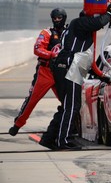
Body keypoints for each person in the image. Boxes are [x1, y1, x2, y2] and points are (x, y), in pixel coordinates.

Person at [39, 2, 111, 150]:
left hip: (66, 67)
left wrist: (105, 78)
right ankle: (64, 141)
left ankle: (49, 138)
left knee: (67, 106)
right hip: (69, 68)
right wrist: (109, 13)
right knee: (72, 105)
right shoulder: (80, 23)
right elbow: (98, 22)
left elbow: (89, 65)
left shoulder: (80, 36)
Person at [8, 8, 67, 136]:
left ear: (64, 18)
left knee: (69, 101)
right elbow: (37, 49)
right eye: (54, 18)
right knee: (32, 99)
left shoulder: (68, 33)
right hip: (45, 71)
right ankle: (17, 125)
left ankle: (71, 127)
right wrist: (51, 54)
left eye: (59, 18)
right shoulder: (46, 32)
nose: (56, 20)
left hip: (61, 72)